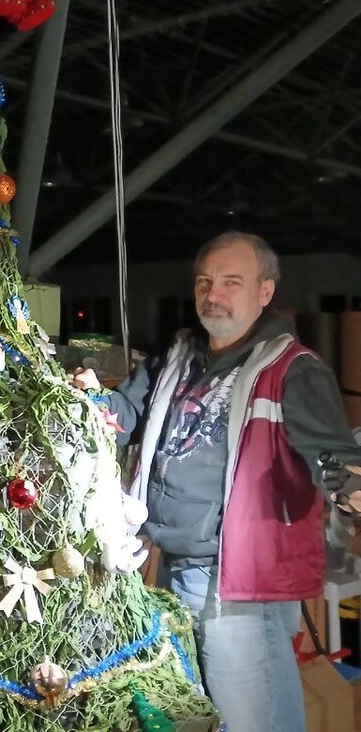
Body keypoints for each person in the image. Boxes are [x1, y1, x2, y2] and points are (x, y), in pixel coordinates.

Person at [72, 231, 361, 732]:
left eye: (232, 282)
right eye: (205, 281)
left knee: (255, 718)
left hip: (240, 582)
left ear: (265, 292)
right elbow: (128, 414)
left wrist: (350, 487)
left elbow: (331, 454)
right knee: (198, 712)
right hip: (169, 568)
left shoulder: (291, 370)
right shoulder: (178, 357)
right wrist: (91, 402)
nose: (214, 294)